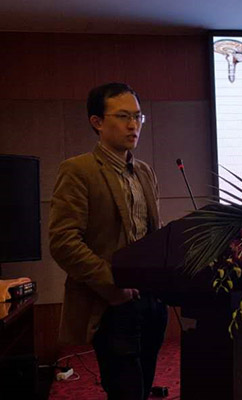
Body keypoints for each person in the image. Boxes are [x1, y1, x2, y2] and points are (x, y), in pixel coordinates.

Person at [49, 82, 168, 400]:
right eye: (123, 116)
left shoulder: (144, 172)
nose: (133, 125)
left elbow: (151, 234)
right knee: (125, 391)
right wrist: (113, 286)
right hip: (111, 303)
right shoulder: (79, 170)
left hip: (151, 302)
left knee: (143, 388)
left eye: (138, 117)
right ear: (97, 122)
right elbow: (63, 242)